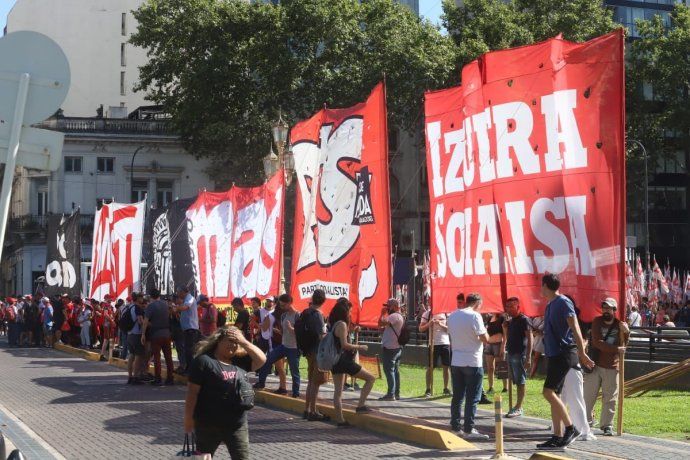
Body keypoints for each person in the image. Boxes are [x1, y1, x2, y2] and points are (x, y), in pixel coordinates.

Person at [185, 326, 266, 459]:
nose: (233, 345)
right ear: (218, 341)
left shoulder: (240, 361)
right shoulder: (204, 361)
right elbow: (192, 393)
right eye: (230, 340)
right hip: (208, 425)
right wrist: (188, 419)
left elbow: (261, 359)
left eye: (236, 342)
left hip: (237, 425)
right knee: (202, 458)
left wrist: (244, 342)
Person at [538, 274, 594, 449]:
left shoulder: (563, 302)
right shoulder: (550, 304)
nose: (540, 288)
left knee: (548, 392)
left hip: (564, 353)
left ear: (546, 285)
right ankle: (557, 435)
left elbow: (575, 326)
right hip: (554, 354)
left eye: (541, 285)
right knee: (555, 394)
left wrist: (582, 352)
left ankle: (571, 428)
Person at [584, 298, 629, 436]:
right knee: (588, 395)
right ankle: (585, 421)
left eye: (609, 308)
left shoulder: (620, 325)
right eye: (604, 308)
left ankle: (607, 425)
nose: (606, 310)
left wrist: (627, 332)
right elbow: (597, 343)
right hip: (595, 364)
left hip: (612, 366)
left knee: (610, 398)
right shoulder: (597, 322)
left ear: (615, 310)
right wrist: (616, 348)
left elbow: (624, 345)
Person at [447, 293, 490, 440]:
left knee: (457, 396)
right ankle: (468, 429)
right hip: (473, 361)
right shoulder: (475, 316)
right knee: (472, 398)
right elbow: (484, 338)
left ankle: (455, 426)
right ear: (477, 303)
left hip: (456, 360)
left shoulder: (452, 316)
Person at [328, 298, 376, 426]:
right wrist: (359, 347)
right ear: (345, 311)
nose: (350, 313)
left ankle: (340, 420)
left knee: (338, 392)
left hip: (335, 361)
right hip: (343, 360)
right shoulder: (342, 325)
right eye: (349, 311)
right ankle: (360, 405)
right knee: (370, 378)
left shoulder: (333, 323)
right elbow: (344, 344)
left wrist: (353, 331)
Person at [255, 294, 301, 397]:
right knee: (267, 360)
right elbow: (284, 332)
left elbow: (301, 333)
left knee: (294, 371)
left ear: (290, 303)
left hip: (293, 347)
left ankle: (295, 393)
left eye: (283, 305)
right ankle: (261, 382)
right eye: (280, 305)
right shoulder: (284, 315)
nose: (281, 307)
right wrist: (280, 331)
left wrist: (292, 329)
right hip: (283, 345)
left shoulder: (298, 315)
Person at [299, 289, 329, 421]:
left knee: (310, 381)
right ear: (323, 301)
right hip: (317, 351)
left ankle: (307, 409)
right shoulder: (318, 315)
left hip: (308, 350)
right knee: (315, 383)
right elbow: (321, 335)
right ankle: (313, 411)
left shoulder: (305, 312)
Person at [501, 297, 532, 418]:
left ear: (518, 306)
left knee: (520, 381)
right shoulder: (511, 321)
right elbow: (508, 337)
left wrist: (528, 357)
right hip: (511, 352)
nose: (508, 309)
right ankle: (517, 406)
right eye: (507, 306)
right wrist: (505, 329)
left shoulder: (524, 320)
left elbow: (530, 338)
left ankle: (519, 407)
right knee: (515, 380)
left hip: (520, 354)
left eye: (511, 306)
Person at [419, 298, 452, 397]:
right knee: (430, 367)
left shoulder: (446, 314)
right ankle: (428, 389)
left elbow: (450, 329)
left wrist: (441, 324)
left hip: (445, 343)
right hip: (433, 343)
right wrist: (429, 323)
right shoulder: (427, 314)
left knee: (446, 367)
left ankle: (446, 388)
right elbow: (420, 329)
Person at [141, 289, 175, 385]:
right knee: (168, 357)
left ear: (151, 296)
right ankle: (170, 378)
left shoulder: (150, 306)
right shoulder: (165, 304)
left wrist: (143, 334)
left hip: (156, 334)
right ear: (159, 295)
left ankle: (158, 378)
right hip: (167, 333)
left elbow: (145, 321)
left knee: (157, 357)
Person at [378, 298, 404, 401]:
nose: (386, 307)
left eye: (388, 305)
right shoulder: (399, 316)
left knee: (389, 370)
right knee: (395, 371)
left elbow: (380, 323)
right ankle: (396, 393)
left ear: (393, 306)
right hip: (396, 347)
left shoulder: (394, 316)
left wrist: (382, 313)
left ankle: (391, 394)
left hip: (390, 348)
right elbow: (383, 327)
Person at [175, 286, 200, 374]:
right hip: (187, 329)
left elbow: (185, 307)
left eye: (178, 292)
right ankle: (188, 369)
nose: (177, 294)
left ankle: (191, 370)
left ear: (183, 292)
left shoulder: (190, 298)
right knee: (187, 350)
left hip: (191, 329)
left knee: (189, 351)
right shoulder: (186, 299)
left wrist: (176, 308)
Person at [126, 293, 147, 384]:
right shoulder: (137, 308)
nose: (142, 299)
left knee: (131, 355)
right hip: (137, 334)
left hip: (129, 334)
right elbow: (140, 321)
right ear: (138, 298)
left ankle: (130, 377)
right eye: (141, 297)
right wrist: (146, 327)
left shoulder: (129, 307)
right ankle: (135, 377)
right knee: (138, 356)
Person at [484, 312, 507, 393]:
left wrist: (503, 346)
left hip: (498, 344)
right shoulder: (489, 318)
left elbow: (505, 334)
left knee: (501, 366)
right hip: (489, 344)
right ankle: (491, 387)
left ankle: (505, 387)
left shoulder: (502, 318)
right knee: (490, 368)